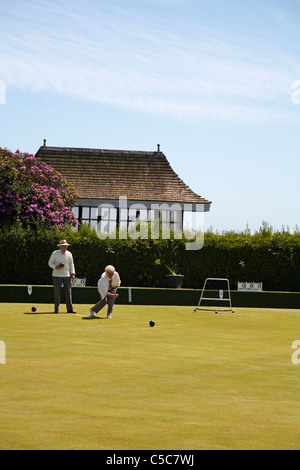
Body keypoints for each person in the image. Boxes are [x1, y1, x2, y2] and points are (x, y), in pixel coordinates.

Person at [48, 239, 76, 314]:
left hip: (67, 275)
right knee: (57, 293)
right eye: (63, 246)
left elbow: (71, 264)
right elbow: (50, 263)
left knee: (68, 293)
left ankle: (70, 309)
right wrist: (56, 266)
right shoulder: (55, 253)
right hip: (56, 275)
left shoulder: (69, 254)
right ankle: (56, 308)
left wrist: (73, 273)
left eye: (66, 246)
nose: (64, 247)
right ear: (60, 246)